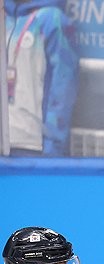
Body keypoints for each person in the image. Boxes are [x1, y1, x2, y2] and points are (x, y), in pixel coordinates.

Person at [4, 1, 78, 156]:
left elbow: (62, 90)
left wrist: (53, 147)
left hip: (31, 144)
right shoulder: (4, 16)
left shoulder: (53, 20)